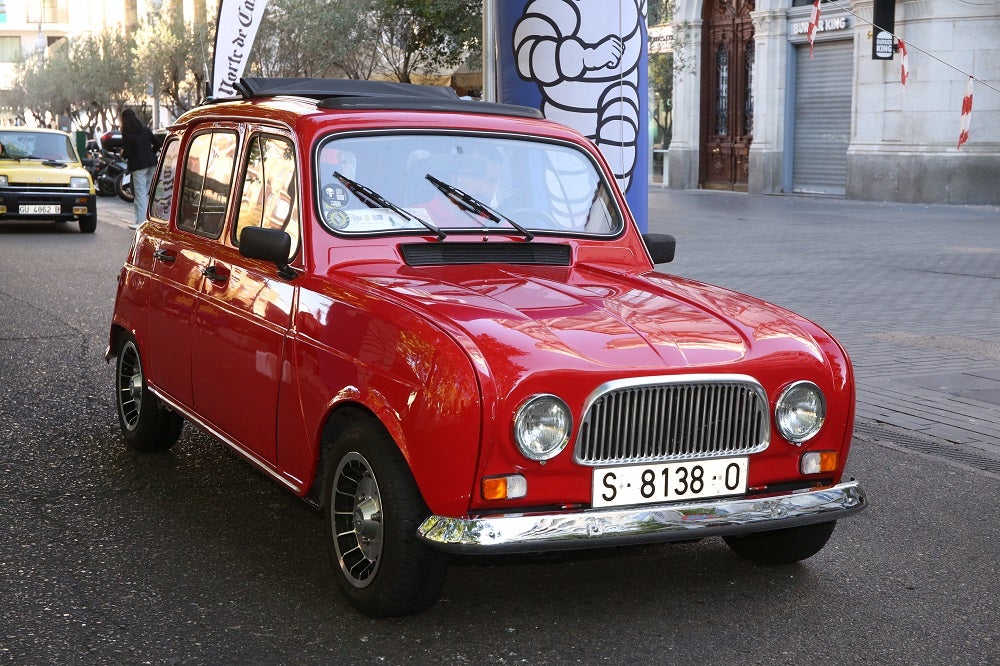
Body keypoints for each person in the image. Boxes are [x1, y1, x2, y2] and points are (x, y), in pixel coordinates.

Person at [120, 109, 158, 230]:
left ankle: (141, 222)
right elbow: (158, 143)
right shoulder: (146, 130)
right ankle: (144, 219)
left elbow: (127, 153)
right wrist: (150, 153)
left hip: (138, 167)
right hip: (151, 164)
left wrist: (122, 153)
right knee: (145, 193)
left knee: (140, 193)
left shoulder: (127, 133)